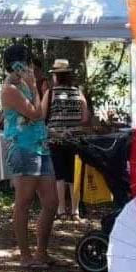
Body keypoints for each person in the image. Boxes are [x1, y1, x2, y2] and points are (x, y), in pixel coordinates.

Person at [0, 44, 57, 269]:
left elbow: (39, 115)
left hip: (40, 146)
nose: (31, 67)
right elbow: (35, 112)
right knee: (23, 201)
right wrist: (34, 87)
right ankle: (25, 255)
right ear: (17, 65)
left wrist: (33, 87)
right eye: (27, 63)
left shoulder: (25, 85)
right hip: (24, 148)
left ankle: (41, 251)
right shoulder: (10, 90)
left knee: (51, 202)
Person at [44, 60, 92, 221]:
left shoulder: (50, 93)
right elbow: (85, 118)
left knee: (60, 175)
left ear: (56, 76)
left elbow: (42, 116)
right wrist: (73, 124)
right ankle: (76, 211)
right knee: (74, 175)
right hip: (75, 140)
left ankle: (61, 210)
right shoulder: (78, 93)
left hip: (56, 139)